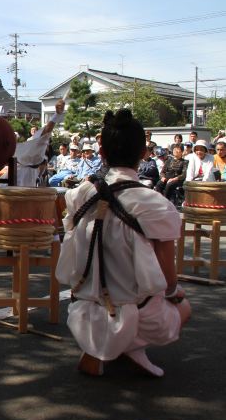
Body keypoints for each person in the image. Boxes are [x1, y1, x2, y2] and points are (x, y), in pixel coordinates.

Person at [57, 108, 191, 378]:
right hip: (135, 309)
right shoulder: (156, 204)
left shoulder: (80, 193)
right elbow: (167, 276)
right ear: (144, 154)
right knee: (183, 306)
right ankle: (122, 346)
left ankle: (108, 347)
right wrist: (174, 293)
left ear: (102, 153)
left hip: (82, 308)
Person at [15, 99, 65, 187]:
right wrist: (57, 115)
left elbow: (45, 133)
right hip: (18, 184)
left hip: (29, 184)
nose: (46, 144)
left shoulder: (41, 154)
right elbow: (46, 131)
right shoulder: (32, 149)